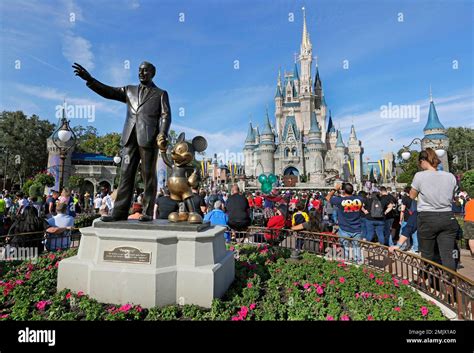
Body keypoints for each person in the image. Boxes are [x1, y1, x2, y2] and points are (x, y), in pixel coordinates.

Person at [73, 61, 172, 222]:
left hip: (148, 138)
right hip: (129, 137)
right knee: (125, 174)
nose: (141, 73)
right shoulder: (129, 90)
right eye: (139, 70)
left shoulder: (160, 93)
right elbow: (108, 92)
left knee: (148, 175)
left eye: (145, 71)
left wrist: (162, 133)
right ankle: (119, 212)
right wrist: (90, 79)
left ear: (153, 73)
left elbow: (166, 115)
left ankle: (147, 212)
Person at [410, 148, 458, 271]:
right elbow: (452, 195)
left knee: (427, 254)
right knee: (448, 255)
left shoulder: (419, 176)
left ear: (423, 161)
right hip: (447, 216)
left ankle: (425, 280)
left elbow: (412, 195)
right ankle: (449, 284)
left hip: (428, 217)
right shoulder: (450, 176)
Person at [326, 182, 363, 263]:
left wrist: (335, 189)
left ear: (343, 191)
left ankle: (347, 264)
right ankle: (359, 264)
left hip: (344, 228)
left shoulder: (340, 200)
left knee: (346, 249)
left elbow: (328, 197)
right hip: (357, 228)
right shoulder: (360, 199)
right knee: (357, 248)